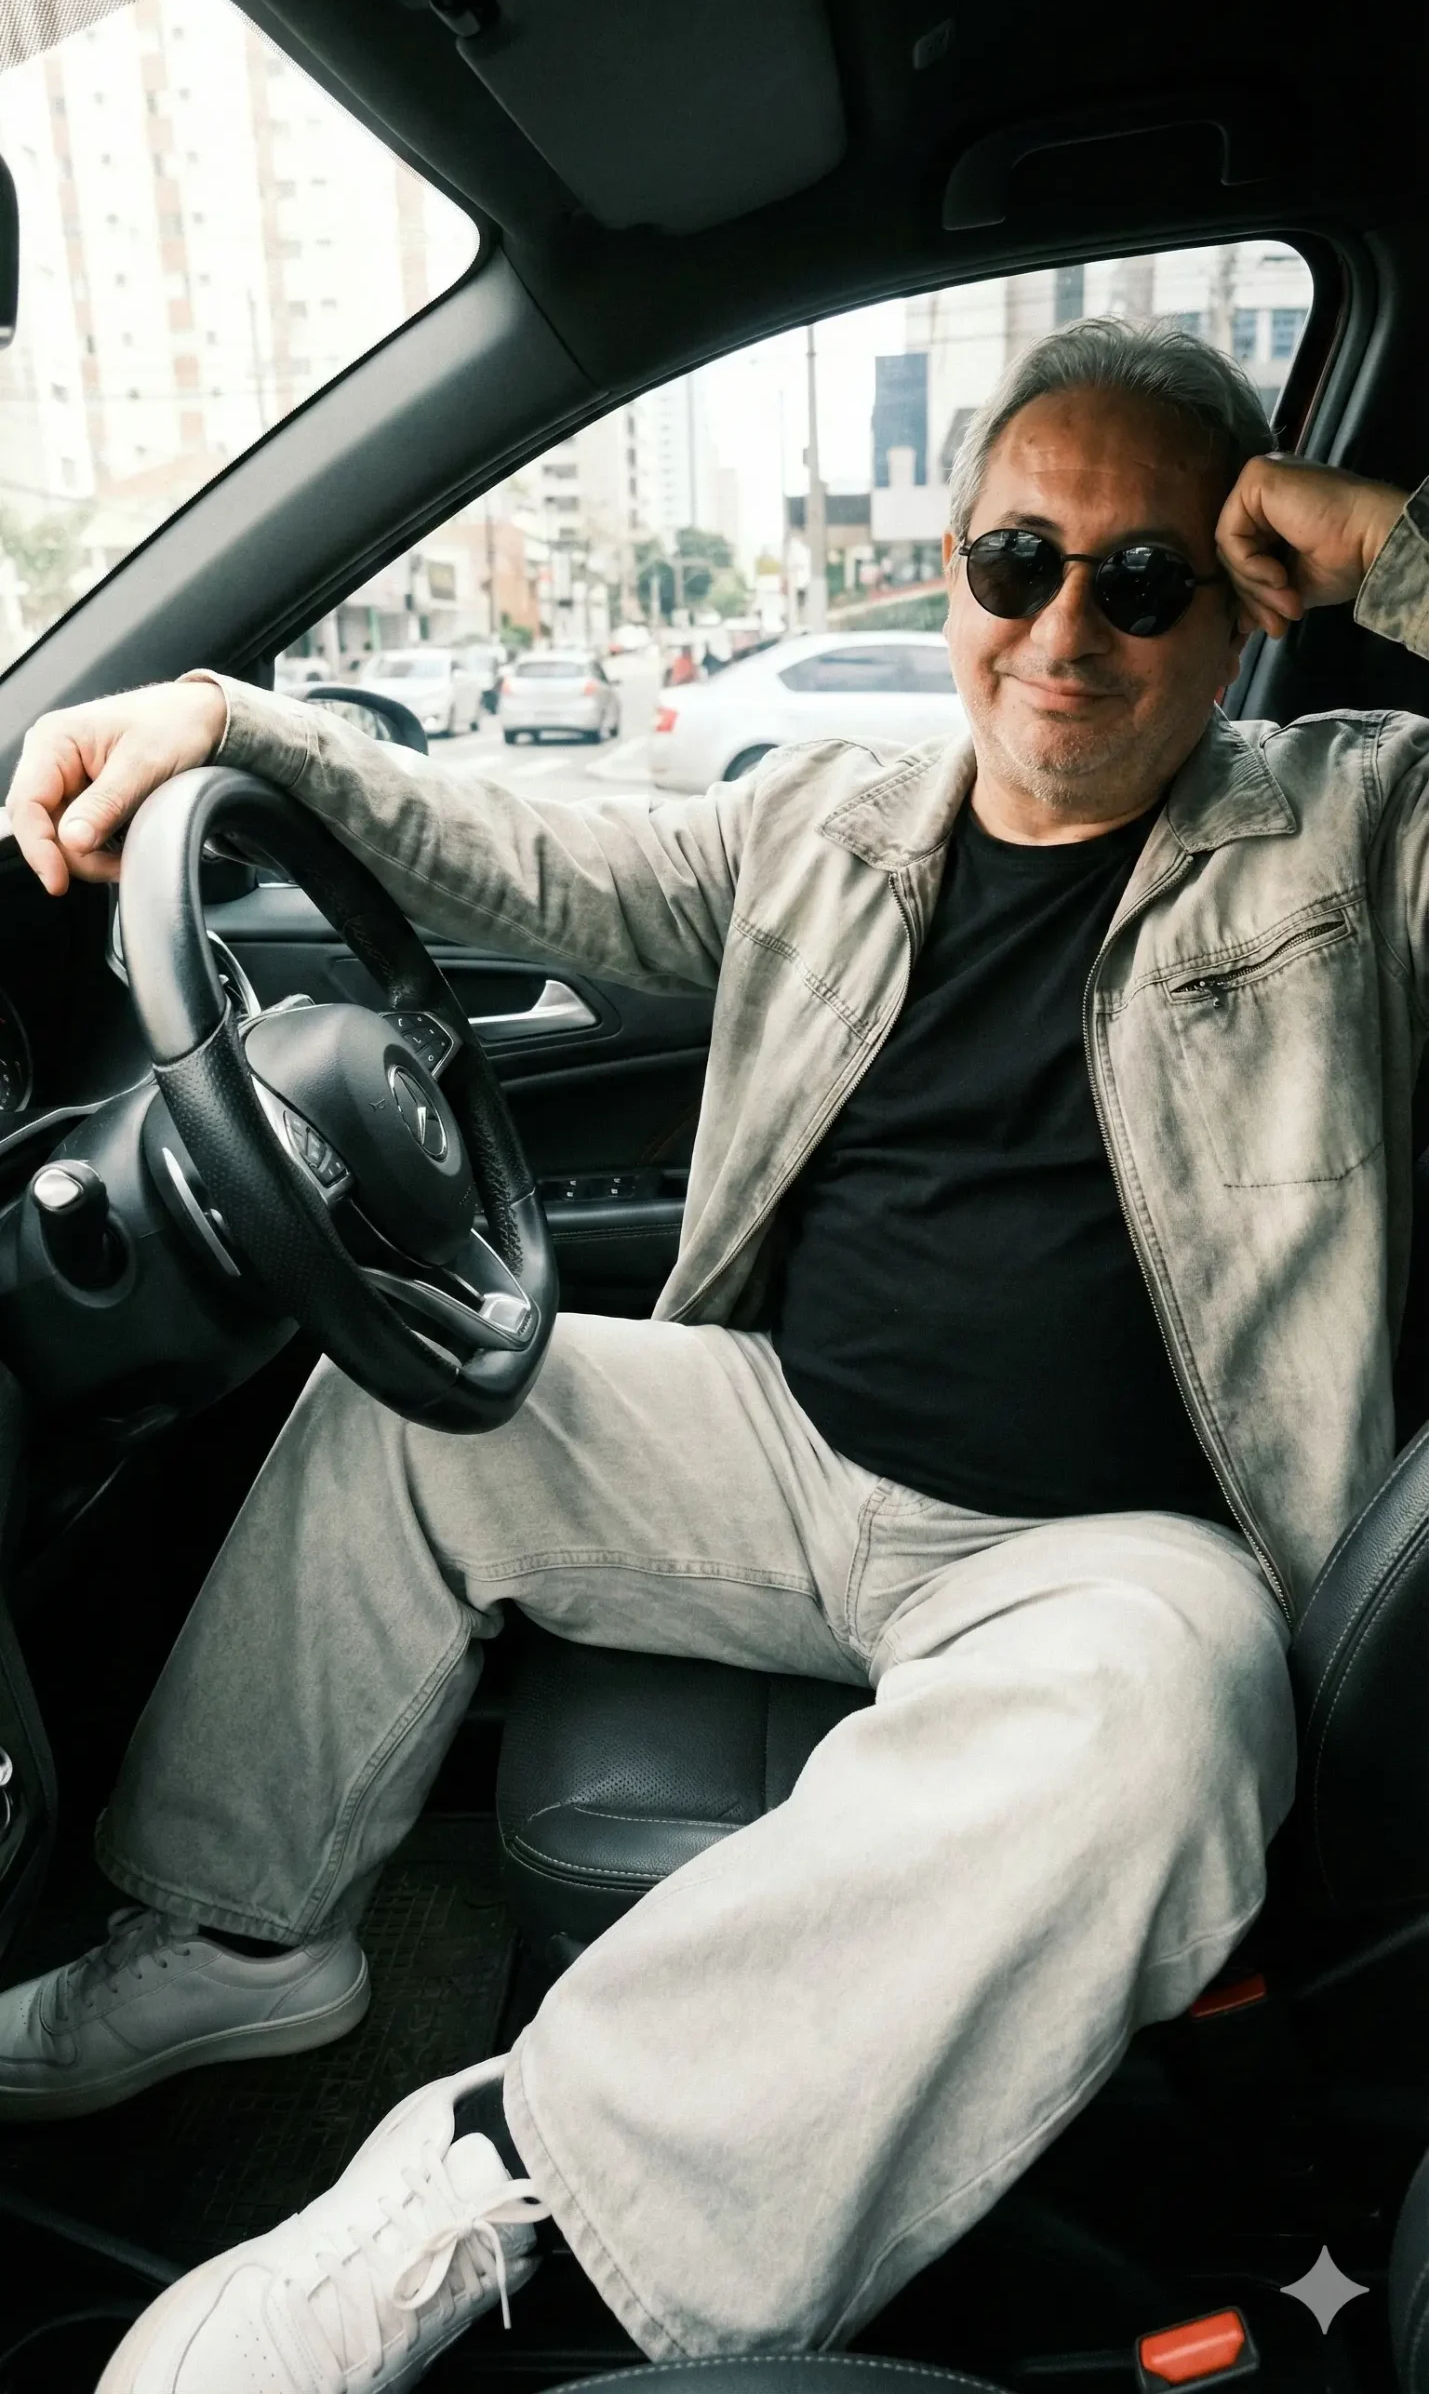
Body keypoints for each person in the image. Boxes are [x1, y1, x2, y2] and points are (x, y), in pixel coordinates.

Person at [4, 319, 1427, 2394]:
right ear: (949, 570)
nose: (1065, 630)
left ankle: (499, 2174)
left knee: (1171, 1699)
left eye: (1145, 582)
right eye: (1018, 560)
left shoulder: (1354, 838)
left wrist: (1387, 547)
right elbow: (521, 842)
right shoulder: (833, 820)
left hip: (1111, 1553)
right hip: (787, 1451)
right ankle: (239, 1941)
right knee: (412, 1389)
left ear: (1234, 620)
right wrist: (238, 720)